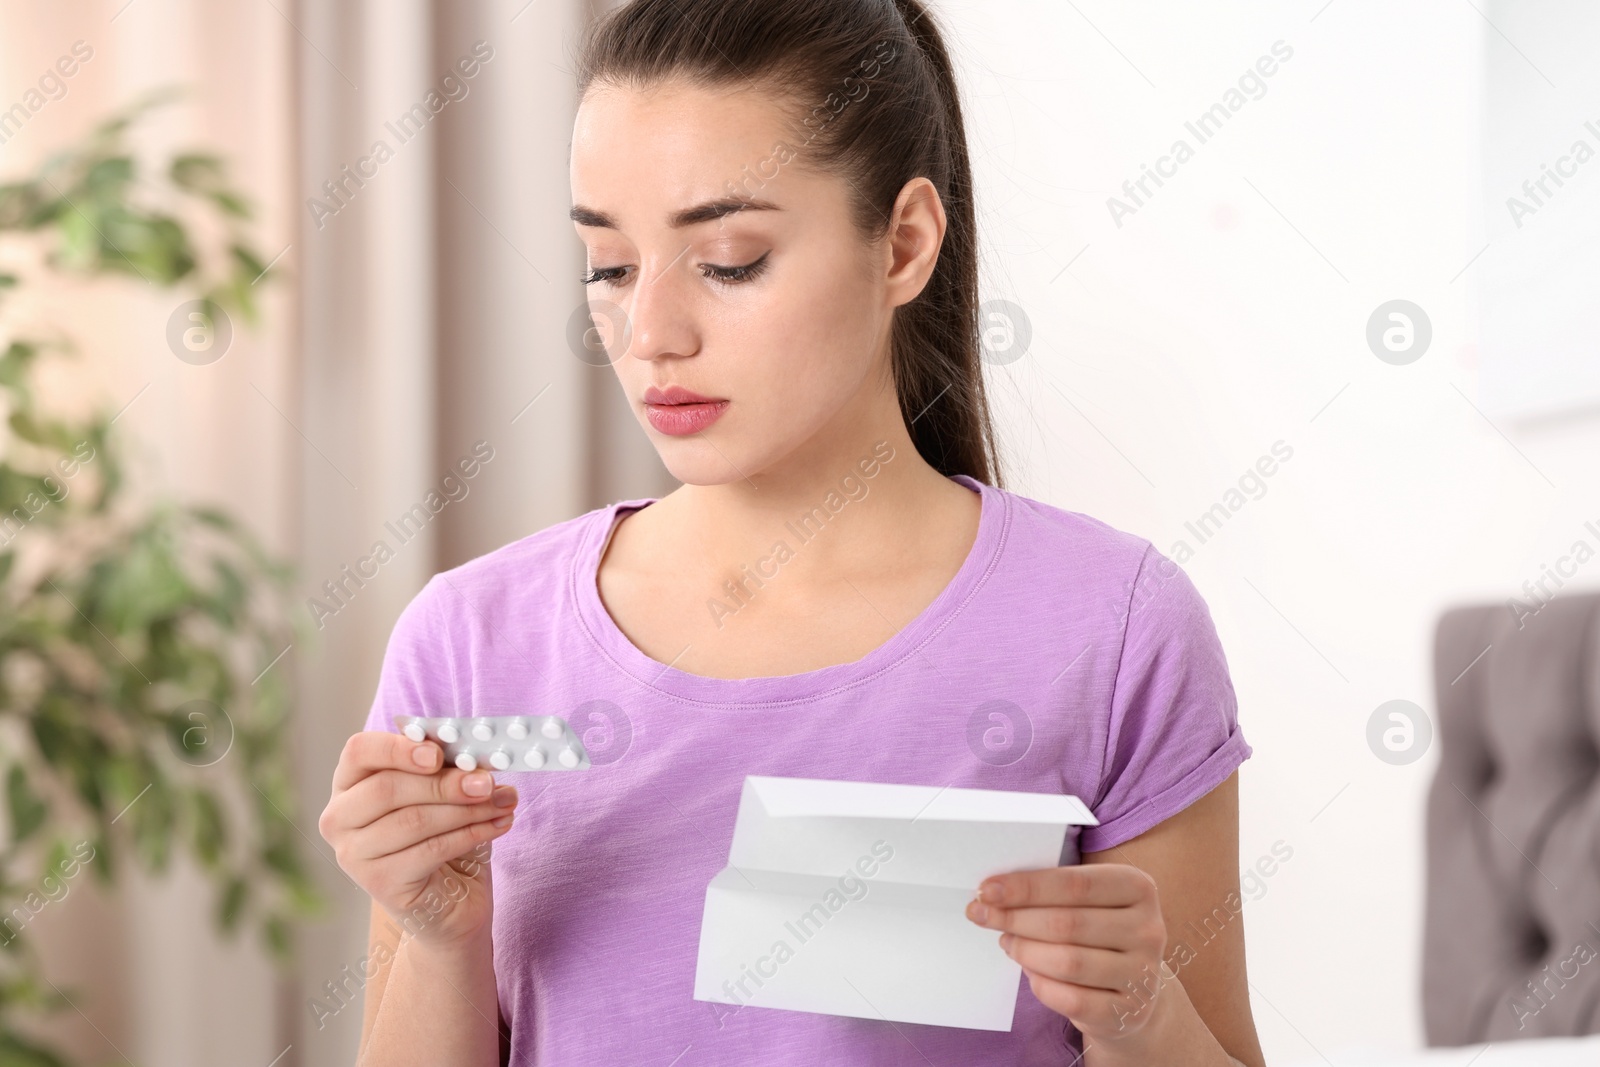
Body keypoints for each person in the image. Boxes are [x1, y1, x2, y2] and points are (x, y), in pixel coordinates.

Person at [318, 1, 1264, 1063]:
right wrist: (438, 938)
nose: (650, 334)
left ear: (903, 244)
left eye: (727, 259)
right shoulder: (472, 639)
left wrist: (1140, 1012)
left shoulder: (1112, 628)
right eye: (610, 267)